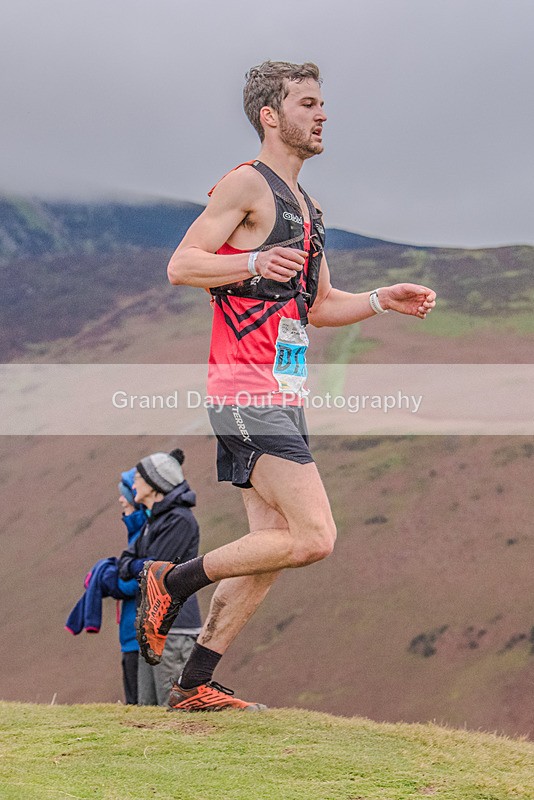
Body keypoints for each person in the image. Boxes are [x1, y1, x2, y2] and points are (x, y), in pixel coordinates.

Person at [136, 60, 437, 711]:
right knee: (315, 536)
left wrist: (382, 299)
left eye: (322, 103)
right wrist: (250, 258)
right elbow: (181, 265)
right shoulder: (247, 184)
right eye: (307, 103)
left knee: (268, 548)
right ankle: (172, 580)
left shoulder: (312, 209)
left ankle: (193, 684)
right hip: (244, 390)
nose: (322, 114)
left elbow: (318, 306)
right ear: (270, 115)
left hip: (284, 394)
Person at [118, 449, 202, 706]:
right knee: (148, 709)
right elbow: (125, 563)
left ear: (155, 483)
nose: (133, 485)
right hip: (152, 626)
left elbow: (156, 572)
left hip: (174, 627)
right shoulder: (153, 521)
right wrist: (140, 565)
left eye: (138, 479)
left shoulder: (180, 521)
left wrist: (139, 565)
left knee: (171, 705)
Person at [117, 468, 148, 704]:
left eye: (124, 495)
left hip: (138, 634)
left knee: (139, 703)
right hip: (132, 634)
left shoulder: (143, 532)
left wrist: (113, 581)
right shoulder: (137, 530)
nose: (121, 500)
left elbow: (139, 580)